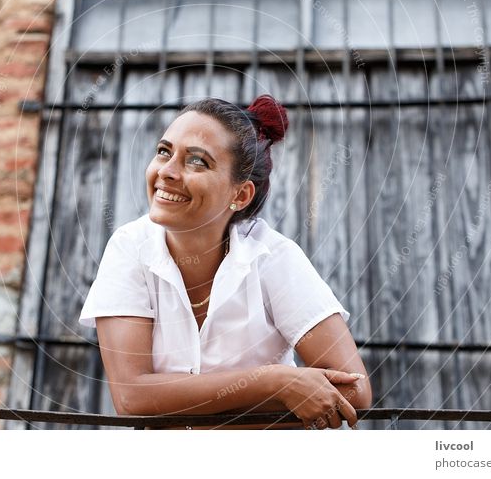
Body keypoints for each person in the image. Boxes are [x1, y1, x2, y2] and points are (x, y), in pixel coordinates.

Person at [78, 94, 371, 429]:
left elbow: (355, 389)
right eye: (164, 151)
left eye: (197, 162)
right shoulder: (130, 248)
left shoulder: (273, 257)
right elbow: (131, 397)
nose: (167, 172)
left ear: (240, 194)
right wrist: (276, 383)